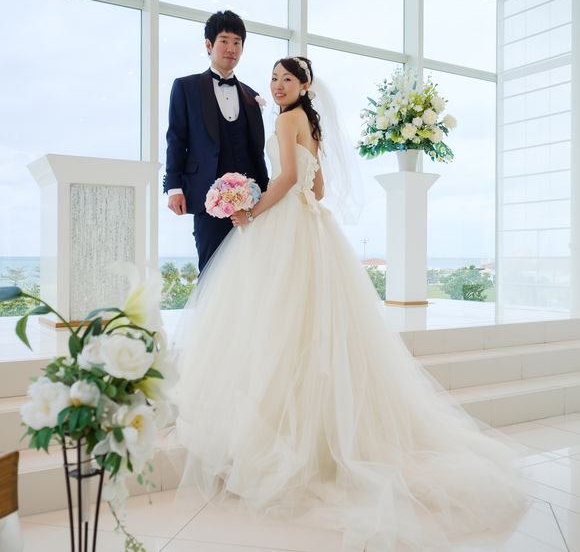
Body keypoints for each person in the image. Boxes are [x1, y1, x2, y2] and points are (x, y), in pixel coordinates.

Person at [174, 56, 527, 551]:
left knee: (277, 323)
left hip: (285, 225)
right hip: (314, 227)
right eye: (274, 78)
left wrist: (252, 211)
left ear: (304, 85)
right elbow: (316, 189)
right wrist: (279, 196)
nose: (277, 85)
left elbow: (286, 179)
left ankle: (279, 439)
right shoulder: (310, 122)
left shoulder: (286, 120)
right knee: (310, 323)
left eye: (287, 79)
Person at [163, 10, 269, 274]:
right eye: (224, 41)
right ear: (209, 45)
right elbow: (176, 139)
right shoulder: (186, 87)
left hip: (249, 201)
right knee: (211, 271)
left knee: (250, 272)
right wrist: (174, 187)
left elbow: (256, 151)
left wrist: (266, 195)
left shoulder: (252, 96)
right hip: (206, 197)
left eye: (237, 42)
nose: (231, 48)